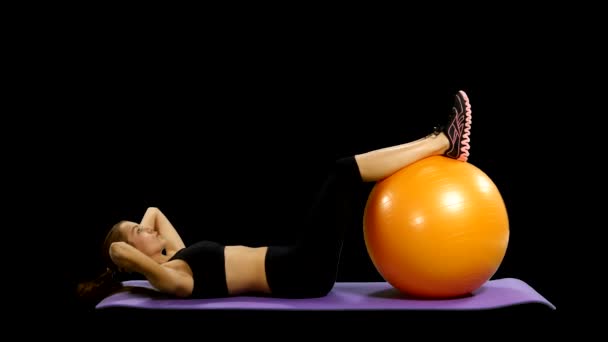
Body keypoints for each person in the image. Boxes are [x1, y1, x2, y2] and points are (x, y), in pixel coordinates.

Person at [77, 90, 472, 304]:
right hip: (301, 271)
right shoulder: (174, 280)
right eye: (138, 231)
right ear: (133, 256)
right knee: (342, 172)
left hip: (299, 266)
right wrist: (121, 253)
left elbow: (154, 210)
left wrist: (138, 236)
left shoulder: (179, 258)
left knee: (343, 174)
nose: (146, 227)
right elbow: (125, 255)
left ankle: (437, 142)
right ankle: (440, 141)